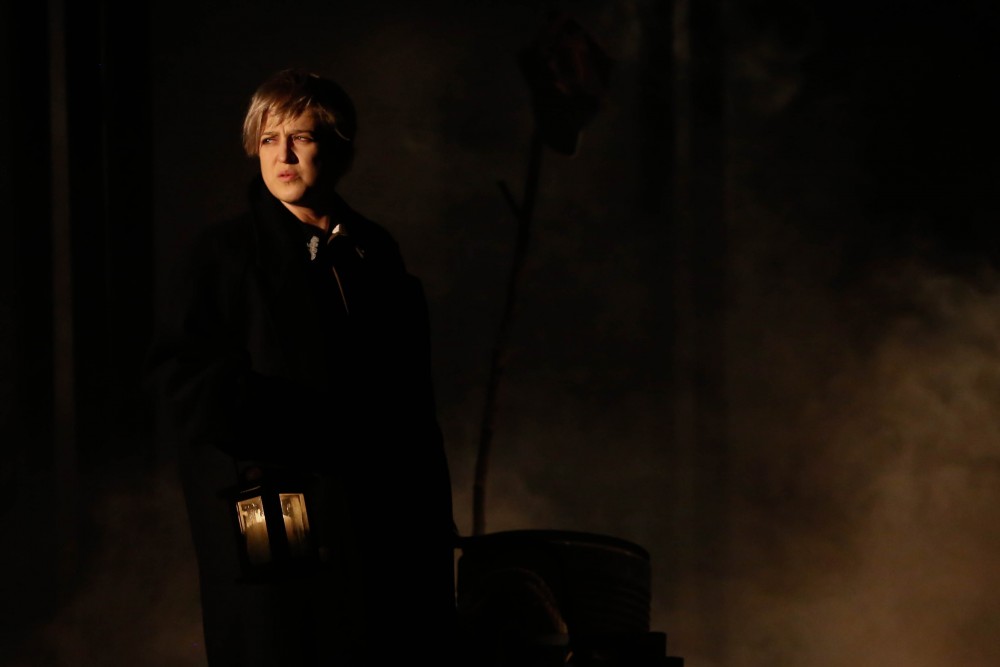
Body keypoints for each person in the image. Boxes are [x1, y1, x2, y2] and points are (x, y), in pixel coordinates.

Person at [147, 69, 457, 666]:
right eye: (269, 139)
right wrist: (304, 427)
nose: (282, 155)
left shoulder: (374, 251)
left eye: (302, 137)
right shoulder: (223, 257)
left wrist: (429, 521)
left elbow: (412, 406)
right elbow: (180, 381)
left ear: (338, 147)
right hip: (279, 544)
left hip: (386, 541)